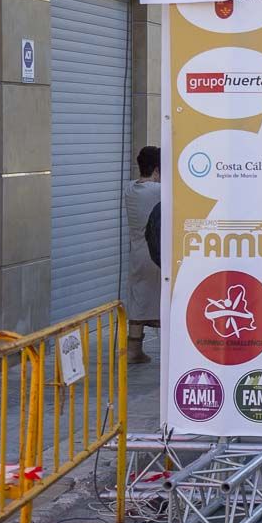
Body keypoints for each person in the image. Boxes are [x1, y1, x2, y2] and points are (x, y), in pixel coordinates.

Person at [124, 146, 161, 364]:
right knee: (161, 301)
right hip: (156, 253)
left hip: (137, 253)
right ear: (157, 169)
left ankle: (133, 350)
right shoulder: (158, 191)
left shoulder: (130, 189)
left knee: (138, 299)